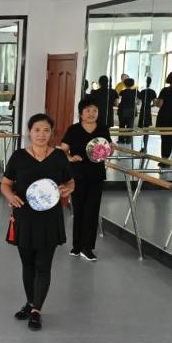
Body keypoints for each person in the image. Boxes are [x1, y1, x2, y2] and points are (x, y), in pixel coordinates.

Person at [0, 114, 74, 331]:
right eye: (37, 130)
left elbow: (70, 181)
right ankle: (30, 302)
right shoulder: (19, 157)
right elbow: (5, 184)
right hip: (24, 216)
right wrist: (10, 196)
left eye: (46, 130)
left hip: (50, 218)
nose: (41, 134)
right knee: (28, 264)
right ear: (29, 132)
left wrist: (68, 189)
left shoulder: (59, 156)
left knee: (43, 265)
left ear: (51, 133)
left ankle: (36, 310)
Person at [59, 98, 110, 261]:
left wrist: (110, 150)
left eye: (94, 110)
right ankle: (76, 246)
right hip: (77, 175)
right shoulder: (74, 129)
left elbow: (107, 148)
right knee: (79, 210)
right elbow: (63, 150)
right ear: (81, 113)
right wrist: (70, 158)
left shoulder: (103, 128)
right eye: (87, 110)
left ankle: (87, 248)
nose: (91, 113)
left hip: (97, 175)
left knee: (92, 211)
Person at [137, 76, 157, 152]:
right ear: (150, 82)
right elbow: (154, 104)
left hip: (143, 110)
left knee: (143, 129)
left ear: (146, 82)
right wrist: (149, 106)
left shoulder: (142, 91)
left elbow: (138, 102)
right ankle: (145, 146)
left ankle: (143, 147)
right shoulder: (153, 92)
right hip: (148, 110)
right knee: (146, 130)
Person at [117, 77, 138, 144]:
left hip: (123, 110)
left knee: (122, 126)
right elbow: (138, 102)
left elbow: (118, 101)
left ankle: (121, 140)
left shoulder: (122, 92)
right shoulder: (136, 91)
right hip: (132, 110)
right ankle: (128, 140)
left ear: (125, 84)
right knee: (130, 126)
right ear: (133, 84)